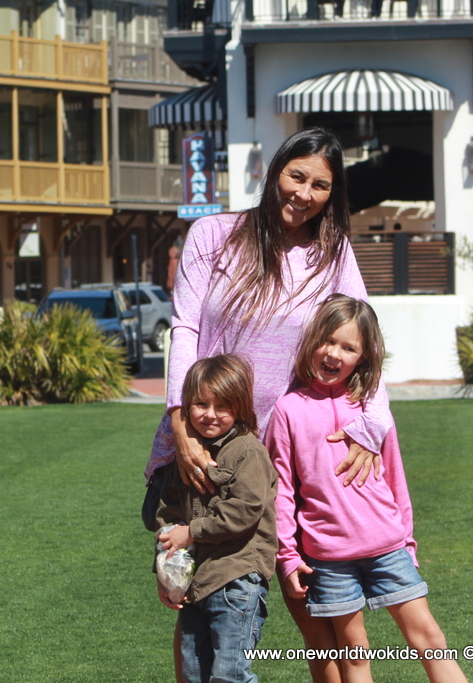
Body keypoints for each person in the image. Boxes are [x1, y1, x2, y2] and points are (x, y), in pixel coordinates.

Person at [143, 127, 394, 683]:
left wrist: (372, 425)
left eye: (320, 186)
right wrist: (181, 426)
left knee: (313, 603)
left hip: (288, 447)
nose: (304, 193)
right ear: (275, 170)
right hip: (207, 440)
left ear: (333, 194)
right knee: (197, 602)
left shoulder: (333, 253)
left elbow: (364, 341)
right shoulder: (213, 234)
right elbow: (184, 328)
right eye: (296, 176)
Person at [268, 296, 468, 683]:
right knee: (354, 654)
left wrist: (407, 542)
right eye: (327, 341)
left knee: (430, 638)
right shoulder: (287, 410)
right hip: (329, 558)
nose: (334, 354)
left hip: (388, 548)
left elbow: (396, 479)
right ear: (311, 340)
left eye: (349, 348)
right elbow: (283, 492)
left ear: (363, 357)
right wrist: (288, 557)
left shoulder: (372, 409)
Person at [155, 354, 277, 683]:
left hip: (236, 579)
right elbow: (168, 515)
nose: (210, 414)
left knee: (230, 675)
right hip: (196, 585)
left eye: (222, 406)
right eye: (201, 404)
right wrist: (165, 573)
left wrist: (191, 532)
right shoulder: (187, 456)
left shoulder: (247, 452)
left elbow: (244, 510)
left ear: (240, 408)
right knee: (193, 674)